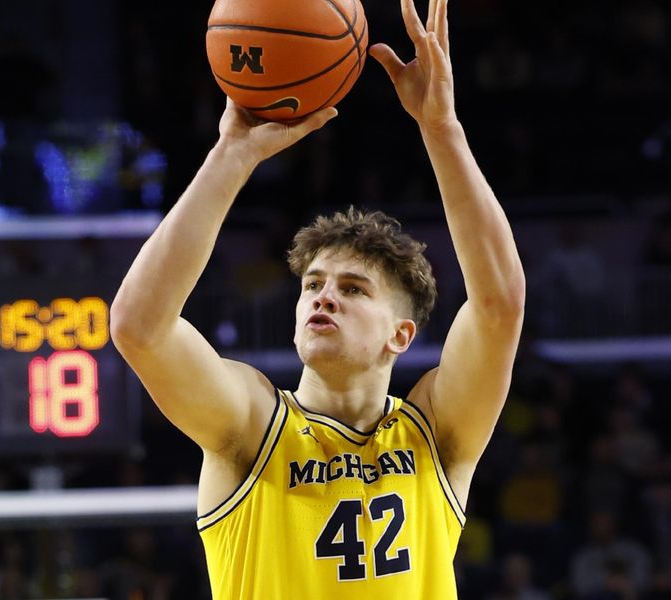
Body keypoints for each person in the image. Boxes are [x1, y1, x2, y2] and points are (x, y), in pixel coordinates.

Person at [110, 0, 525, 598]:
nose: (323, 298)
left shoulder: (436, 431)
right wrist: (232, 155)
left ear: (400, 336)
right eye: (313, 285)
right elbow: (138, 327)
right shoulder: (252, 425)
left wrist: (441, 130)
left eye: (353, 289)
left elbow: (500, 303)